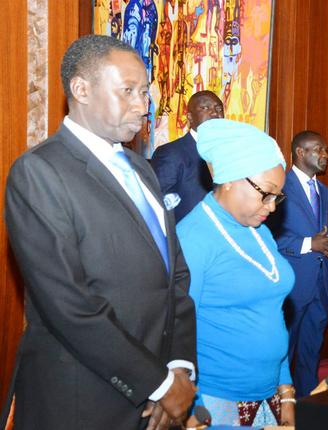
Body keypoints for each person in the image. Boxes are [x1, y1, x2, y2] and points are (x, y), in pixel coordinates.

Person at [3, 35, 196, 430]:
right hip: (82, 401)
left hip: (153, 398)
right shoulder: (39, 172)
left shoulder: (142, 169)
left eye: (144, 92)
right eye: (128, 91)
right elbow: (68, 304)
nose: (143, 105)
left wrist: (178, 368)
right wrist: (158, 384)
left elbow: (173, 277)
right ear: (82, 89)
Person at [177, 118, 296, 427]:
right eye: (265, 193)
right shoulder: (194, 238)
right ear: (229, 178)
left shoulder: (259, 230)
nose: (271, 207)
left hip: (270, 397)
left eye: (277, 197)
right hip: (218, 404)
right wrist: (194, 411)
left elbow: (272, 311)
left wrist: (286, 392)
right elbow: (176, 330)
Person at [268, 130, 328, 397]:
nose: (325, 156)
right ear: (300, 152)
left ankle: (308, 408)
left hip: (321, 286)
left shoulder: (327, 193)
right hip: (292, 287)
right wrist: (309, 244)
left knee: (311, 352)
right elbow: (270, 238)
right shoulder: (279, 187)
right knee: (283, 353)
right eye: (319, 150)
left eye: (326, 151)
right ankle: (280, 409)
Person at [151, 90, 224, 222]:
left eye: (218, 108)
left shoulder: (229, 153)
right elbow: (160, 208)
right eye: (205, 108)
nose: (214, 113)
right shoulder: (170, 153)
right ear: (190, 117)